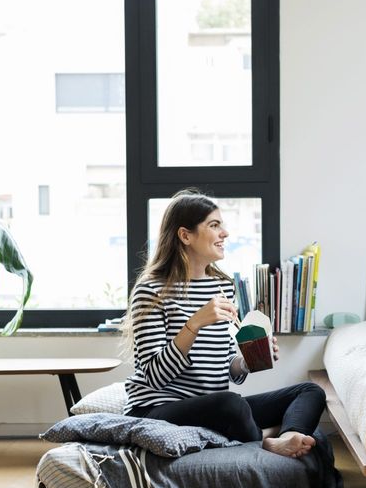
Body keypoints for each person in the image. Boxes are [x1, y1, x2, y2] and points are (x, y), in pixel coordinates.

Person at [123, 189, 325, 458]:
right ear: (185, 236)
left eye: (222, 225)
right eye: (214, 225)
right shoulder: (150, 291)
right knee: (230, 404)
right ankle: (265, 440)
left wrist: (248, 360)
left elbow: (227, 363)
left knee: (310, 391)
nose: (225, 233)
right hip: (158, 407)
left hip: (212, 406)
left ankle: (286, 434)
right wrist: (193, 324)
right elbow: (154, 376)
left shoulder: (223, 287)